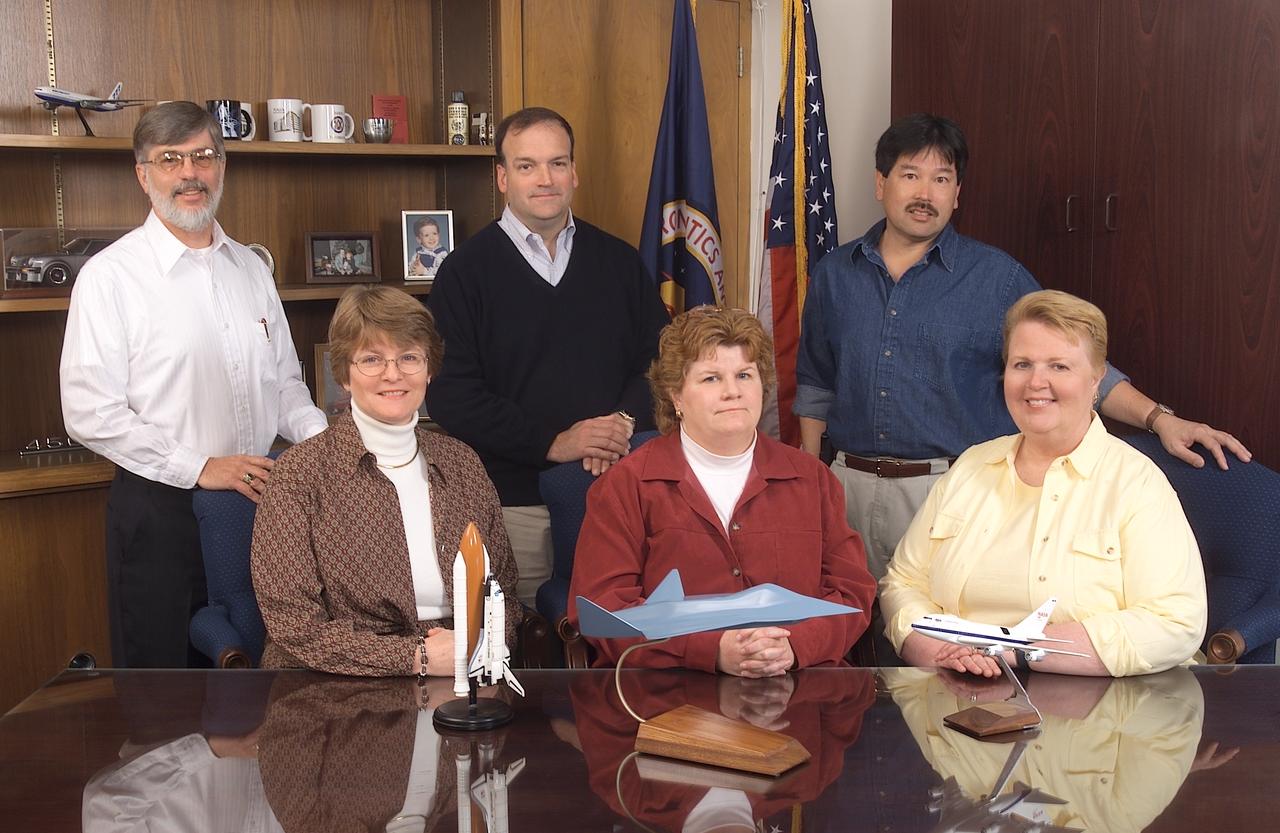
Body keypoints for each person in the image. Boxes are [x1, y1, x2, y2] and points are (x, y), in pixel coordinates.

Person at [795, 113, 1250, 586]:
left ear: (957, 193)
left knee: (941, 622)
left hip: (954, 490)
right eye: (911, 175)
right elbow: (816, 383)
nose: (925, 194)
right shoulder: (834, 275)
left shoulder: (997, 278)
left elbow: (1073, 366)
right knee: (840, 622)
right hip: (845, 487)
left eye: (942, 179)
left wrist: (1160, 419)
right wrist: (810, 480)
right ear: (880, 183)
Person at [60, 101, 327, 669]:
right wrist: (200, 466)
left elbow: (285, 382)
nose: (190, 173)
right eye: (170, 160)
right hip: (162, 515)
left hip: (259, 509)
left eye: (203, 156)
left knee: (261, 681)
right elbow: (89, 411)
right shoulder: (109, 277)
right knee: (166, 693)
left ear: (222, 165)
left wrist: (325, 445)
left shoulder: (251, 268)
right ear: (143, 175)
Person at [880, 290, 1207, 677]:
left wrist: (1017, 649)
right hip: (957, 690)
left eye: (1059, 366)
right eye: (1022, 364)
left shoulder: (1136, 483)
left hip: (1099, 705)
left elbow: (1176, 621)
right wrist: (933, 650)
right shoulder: (970, 467)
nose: (1036, 382)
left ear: (1096, 380)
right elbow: (903, 581)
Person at [426, 106, 670, 605]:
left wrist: (620, 424)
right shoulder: (464, 273)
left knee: (619, 634)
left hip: (617, 494)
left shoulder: (620, 262)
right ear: (502, 177)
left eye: (557, 163)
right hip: (516, 507)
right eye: (527, 166)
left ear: (574, 172)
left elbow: (660, 362)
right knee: (523, 642)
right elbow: (453, 396)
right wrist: (554, 442)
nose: (545, 179)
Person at [568, 307, 876, 675]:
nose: (732, 392)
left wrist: (794, 647)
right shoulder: (625, 486)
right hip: (669, 693)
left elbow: (851, 592)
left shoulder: (813, 479)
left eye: (744, 375)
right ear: (676, 396)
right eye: (711, 378)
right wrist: (709, 650)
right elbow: (602, 610)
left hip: (798, 685)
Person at [250, 284, 519, 676]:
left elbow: (503, 592)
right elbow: (294, 625)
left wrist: (476, 644)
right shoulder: (299, 474)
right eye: (372, 359)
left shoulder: (463, 463)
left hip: (463, 670)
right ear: (344, 374)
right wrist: (417, 657)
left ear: (429, 368)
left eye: (409, 357)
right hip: (338, 684)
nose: (393, 374)